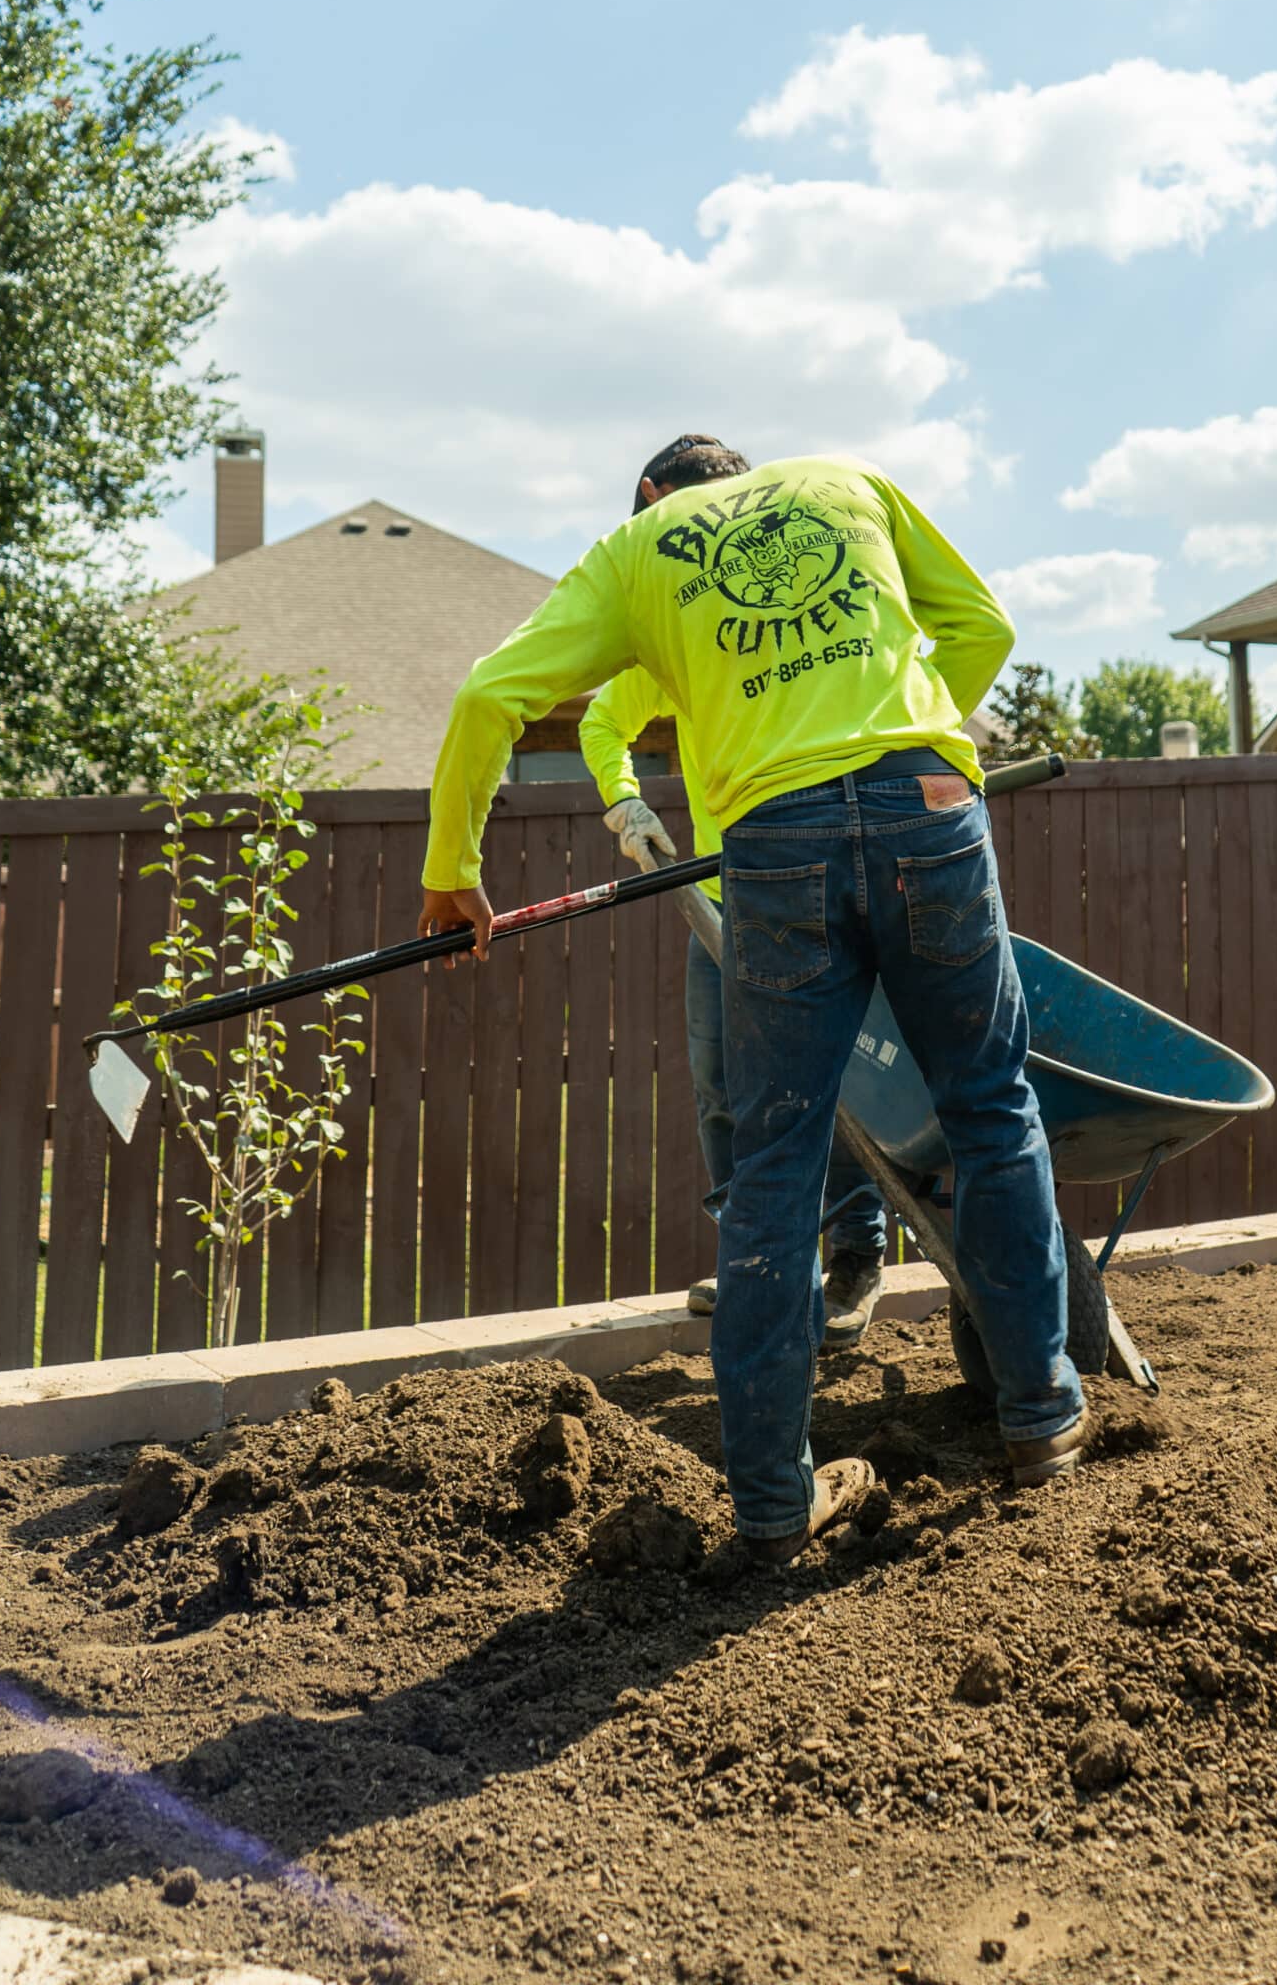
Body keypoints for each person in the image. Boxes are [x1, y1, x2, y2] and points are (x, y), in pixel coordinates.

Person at [420, 447, 1087, 1563]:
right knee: (989, 1106)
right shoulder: (846, 482)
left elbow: (492, 692)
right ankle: (1044, 1415)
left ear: (647, 500)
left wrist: (453, 865)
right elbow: (983, 627)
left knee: (775, 1161)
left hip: (773, 844)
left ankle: (775, 1505)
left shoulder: (639, 552)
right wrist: (898, 753)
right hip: (926, 800)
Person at [579, 437, 889, 1343]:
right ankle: (756, 1263)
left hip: (825, 881)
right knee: (722, 1086)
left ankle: (855, 1258)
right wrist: (627, 805)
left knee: (842, 1086)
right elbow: (604, 718)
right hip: (726, 897)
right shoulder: (686, 625)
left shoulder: (790, 608)